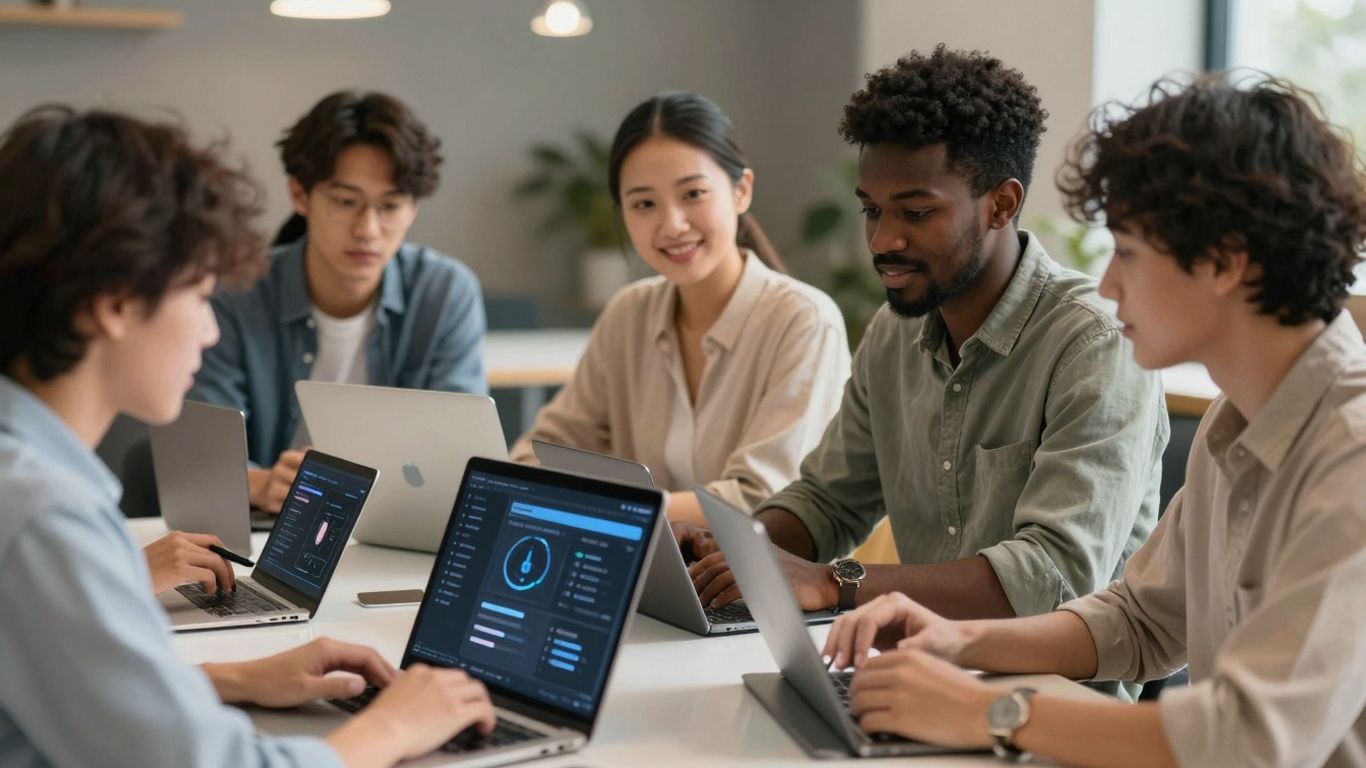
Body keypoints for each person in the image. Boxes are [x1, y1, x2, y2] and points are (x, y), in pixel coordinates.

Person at [821, 74, 1366, 767]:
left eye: (1129, 253)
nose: (1107, 285)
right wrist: (961, 641)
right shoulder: (1240, 419)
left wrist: (986, 711)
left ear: (1225, 262)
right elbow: (1140, 622)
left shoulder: (1352, 452)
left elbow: (1248, 739)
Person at [0, 105, 495, 767]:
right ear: (115, 304)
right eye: (201, 295)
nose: (210, 331)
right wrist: (393, 727)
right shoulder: (44, 517)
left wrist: (238, 678)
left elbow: (62, 696)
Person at [686, 46, 1168, 626]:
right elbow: (827, 501)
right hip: (918, 670)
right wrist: (736, 555)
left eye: (915, 214)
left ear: (1002, 205)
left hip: (1049, 695)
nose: (881, 240)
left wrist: (834, 581)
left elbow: (1052, 574)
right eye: (871, 211)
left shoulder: (1093, 342)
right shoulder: (894, 334)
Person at [509, 92, 850, 525]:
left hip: (759, 583)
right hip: (647, 573)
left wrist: (613, 509)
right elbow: (540, 453)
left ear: (741, 190)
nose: (672, 225)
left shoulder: (804, 320)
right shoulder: (629, 313)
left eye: (693, 194)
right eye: (644, 203)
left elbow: (762, 500)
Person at [190, 90, 487, 515]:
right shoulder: (237, 292)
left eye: (390, 206)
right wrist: (259, 483)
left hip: (391, 534)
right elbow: (204, 452)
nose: (368, 229)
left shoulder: (444, 294)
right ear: (299, 194)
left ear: (414, 208)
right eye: (346, 202)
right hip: (267, 533)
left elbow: (459, 461)